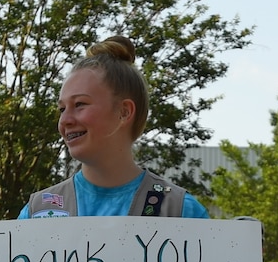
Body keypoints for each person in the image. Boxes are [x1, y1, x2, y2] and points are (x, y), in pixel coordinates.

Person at [19, 37, 209, 221]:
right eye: (62, 109)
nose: (65, 120)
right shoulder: (37, 213)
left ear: (124, 112)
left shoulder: (180, 211)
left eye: (79, 104)